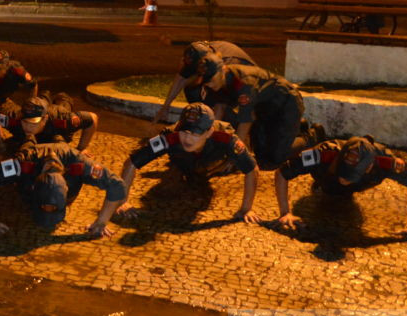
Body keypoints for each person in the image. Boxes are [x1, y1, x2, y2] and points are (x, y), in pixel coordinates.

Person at [116, 103, 260, 223]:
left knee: (218, 170)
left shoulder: (226, 138)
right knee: (180, 172)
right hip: (182, 161)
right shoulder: (170, 137)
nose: (187, 139)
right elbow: (131, 162)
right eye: (184, 132)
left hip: (214, 162)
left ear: (209, 132)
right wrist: (122, 202)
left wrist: (246, 209)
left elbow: (252, 169)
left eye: (195, 134)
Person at [273, 136, 407, 241]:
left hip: (359, 185)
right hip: (324, 179)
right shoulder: (324, 154)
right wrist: (285, 213)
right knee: (328, 190)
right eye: (344, 171)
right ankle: (310, 135)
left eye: (351, 175)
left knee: (343, 195)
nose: (344, 179)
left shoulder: (385, 163)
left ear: (369, 167)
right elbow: (281, 173)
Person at [0, 141, 125, 237]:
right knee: (26, 142)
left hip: (62, 151)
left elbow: (117, 185)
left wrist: (101, 222)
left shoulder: (79, 165)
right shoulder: (23, 164)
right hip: (31, 154)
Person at [193, 56, 319, 171]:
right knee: (261, 156)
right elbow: (219, 109)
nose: (209, 83)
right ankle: (296, 129)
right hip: (264, 110)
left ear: (222, 70)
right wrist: (207, 139)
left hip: (287, 105)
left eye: (211, 78)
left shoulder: (242, 83)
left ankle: (311, 136)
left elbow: (245, 122)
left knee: (276, 157)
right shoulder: (219, 82)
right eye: (206, 81)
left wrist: (233, 158)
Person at [153, 40, 257, 123]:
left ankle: (229, 126)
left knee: (220, 107)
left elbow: (219, 105)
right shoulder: (198, 53)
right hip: (222, 75)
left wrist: (207, 135)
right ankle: (204, 119)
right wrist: (165, 107)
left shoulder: (224, 68)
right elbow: (181, 79)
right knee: (192, 89)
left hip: (247, 83)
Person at [0, 93, 98, 152]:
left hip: (57, 112)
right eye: (25, 122)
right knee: (43, 97)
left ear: (44, 119)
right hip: (42, 109)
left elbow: (92, 118)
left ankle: (60, 97)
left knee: (63, 100)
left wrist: (82, 148)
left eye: (33, 123)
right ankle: (44, 96)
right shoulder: (13, 117)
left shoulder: (62, 120)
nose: (28, 128)